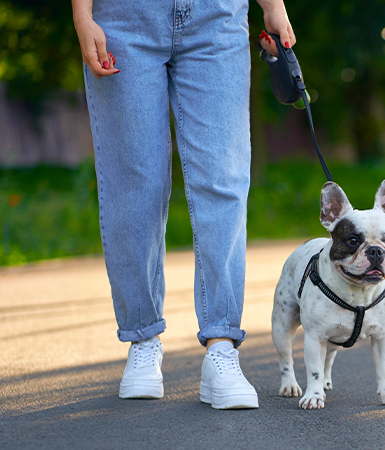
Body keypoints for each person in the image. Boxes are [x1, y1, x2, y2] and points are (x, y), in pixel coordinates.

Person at [72, 0, 295, 409]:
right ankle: (142, 338)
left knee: (223, 179)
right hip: (125, 19)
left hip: (216, 18)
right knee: (134, 182)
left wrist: (273, 5)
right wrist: (82, 15)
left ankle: (222, 346)